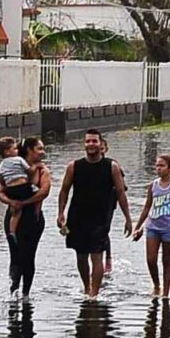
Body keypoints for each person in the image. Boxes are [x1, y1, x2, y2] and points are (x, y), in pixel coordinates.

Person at [54, 128, 131, 300]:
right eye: (88, 141)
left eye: (94, 141)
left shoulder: (112, 167)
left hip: (100, 219)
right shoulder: (74, 166)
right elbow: (64, 190)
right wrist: (61, 213)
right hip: (77, 218)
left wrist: (128, 218)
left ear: (100, 143)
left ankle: (94, 294)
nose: (91, 144)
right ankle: (86, 286)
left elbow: (121, 193)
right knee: (81, 257)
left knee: (97, 256)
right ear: (84, 144)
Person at [130, 152, 170, 299]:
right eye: (157, 165)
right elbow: (147, 207)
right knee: (151, 259)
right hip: (153, 226)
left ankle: (166, 292)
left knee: (166, 260)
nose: (158, 168)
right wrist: (137, 227)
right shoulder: (153, 185)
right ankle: (156, 285)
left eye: (162, 166)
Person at [3, 137, 51, 298]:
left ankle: (25, 294)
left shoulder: (42, 170)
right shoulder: (15, 166)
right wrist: (12, 201)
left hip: (33, 218)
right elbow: (0, 192)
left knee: (29, 256)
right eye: (39, 149)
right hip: (14, 214)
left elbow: (44, 191)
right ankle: (13, 291)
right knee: (15, 255)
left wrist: (24, 202)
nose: (43, 152)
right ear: (29, 150)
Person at [0, 136, 35, 241]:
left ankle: (12, 232)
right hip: (23, 187)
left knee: (16, 211)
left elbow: (1, 179)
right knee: (34, 190)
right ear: (7, 152)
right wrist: (36, 167)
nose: (17, 151)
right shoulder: (19, 159)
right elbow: (30, 171)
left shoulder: (1, 165)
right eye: (15, 148)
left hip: (11, 190)